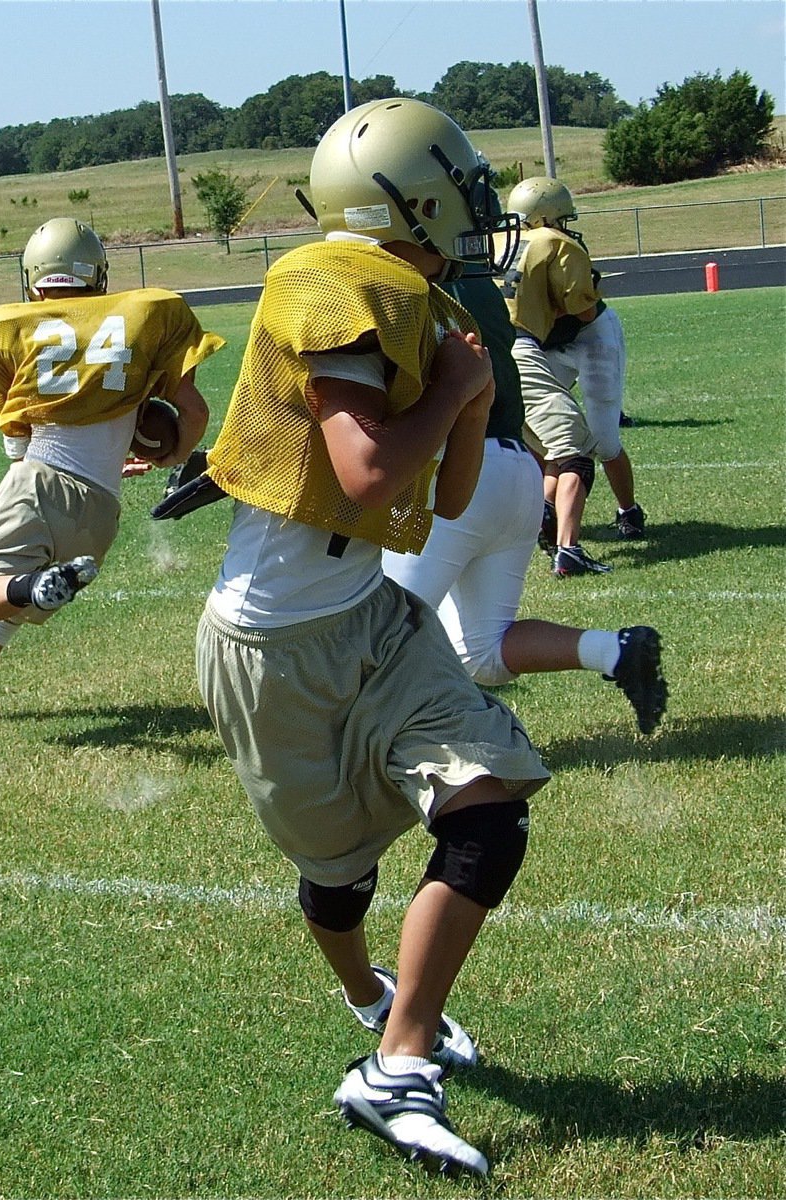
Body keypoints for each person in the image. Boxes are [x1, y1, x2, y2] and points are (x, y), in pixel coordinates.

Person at [194, 99, 550, 1176]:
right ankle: (369, 998)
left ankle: (396, 1068)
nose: (479, 209)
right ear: (413, 197)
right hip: (274, 645)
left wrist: (468, 392)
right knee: (338, 880)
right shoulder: (331, 282)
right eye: (464, 189)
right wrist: (449, 386)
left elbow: (436, 502)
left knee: (488, 817)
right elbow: (358, 472)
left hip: (373, 619)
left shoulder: (417, 296)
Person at [0, 216, 223, 730]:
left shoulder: (5, 330)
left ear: (33, 278)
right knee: (1, 628)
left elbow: (18, 446)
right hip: (101, 513)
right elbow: (193, 413)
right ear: (99, 274)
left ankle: (30, 586)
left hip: (42, 482)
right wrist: (173, 457)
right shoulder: (150, 314)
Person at [384, 249, 668, 736]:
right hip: (514, 470)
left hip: (453, 468)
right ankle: (615, 650)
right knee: (482, 651)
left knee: (377, 634)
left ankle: (386, 755)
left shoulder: (394, 277)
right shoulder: (476, 283)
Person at [501, 177, 648, 577]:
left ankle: (626, 511)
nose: (565, 225)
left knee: (594, 437)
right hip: (536, 343)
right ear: (546, 216)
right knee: (570, 444)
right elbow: (582, 308)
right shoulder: (557, 243)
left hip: (572, 340)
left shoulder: (498, 241)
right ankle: (561, 535)